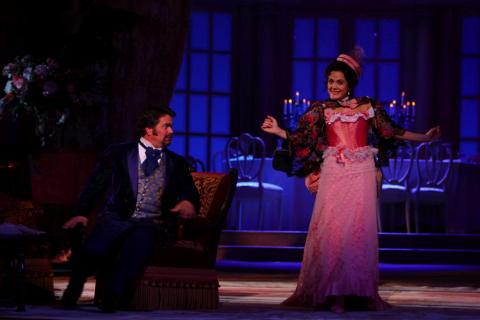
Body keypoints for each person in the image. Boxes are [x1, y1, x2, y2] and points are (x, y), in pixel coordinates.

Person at [261, 53, 440, 313]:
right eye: (330, 81)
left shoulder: (368, 107)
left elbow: (392, 131)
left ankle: (355, 292)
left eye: (339, 82)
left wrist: (425, 137)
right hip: (335, 170)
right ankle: (332, 292)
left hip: (362, 170)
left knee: (357, 233)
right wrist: (278, 131)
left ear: (350, 84)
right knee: (333, 232)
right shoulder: (321, 109)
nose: (333, 86)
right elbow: (303, 138)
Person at [60, 106, 200, 312]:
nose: (171, 131)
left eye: (171, 126)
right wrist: (81, 213)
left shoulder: (177, 163)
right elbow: (95, 185)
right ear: (149, 130)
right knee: (94, 248)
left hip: (153, 222)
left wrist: (188, 201)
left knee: (136, 247)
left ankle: (112, 296)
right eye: (166, 126)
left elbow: (190, 192)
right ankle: (73, 290)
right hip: (117, 216)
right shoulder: (119, 153)